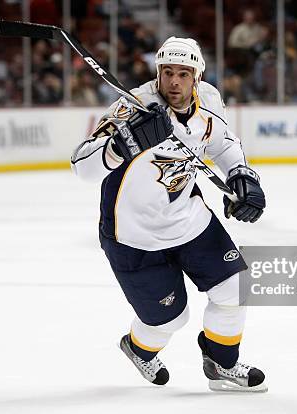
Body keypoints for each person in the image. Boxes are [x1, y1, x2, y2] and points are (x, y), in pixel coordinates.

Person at [71, 37, 267, 392]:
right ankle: (138, 348)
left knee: (235, 288)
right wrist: (122, 145)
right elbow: (81, 165)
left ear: (197, 77)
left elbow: (223, 143)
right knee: (170, 319)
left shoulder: (209, 100)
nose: (174, 82)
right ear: (157, 73)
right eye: (167, 73)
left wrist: (239, 173)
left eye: (183, 74)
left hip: (187, 218)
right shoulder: (133, 108)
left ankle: (223, 364)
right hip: (133, 234)